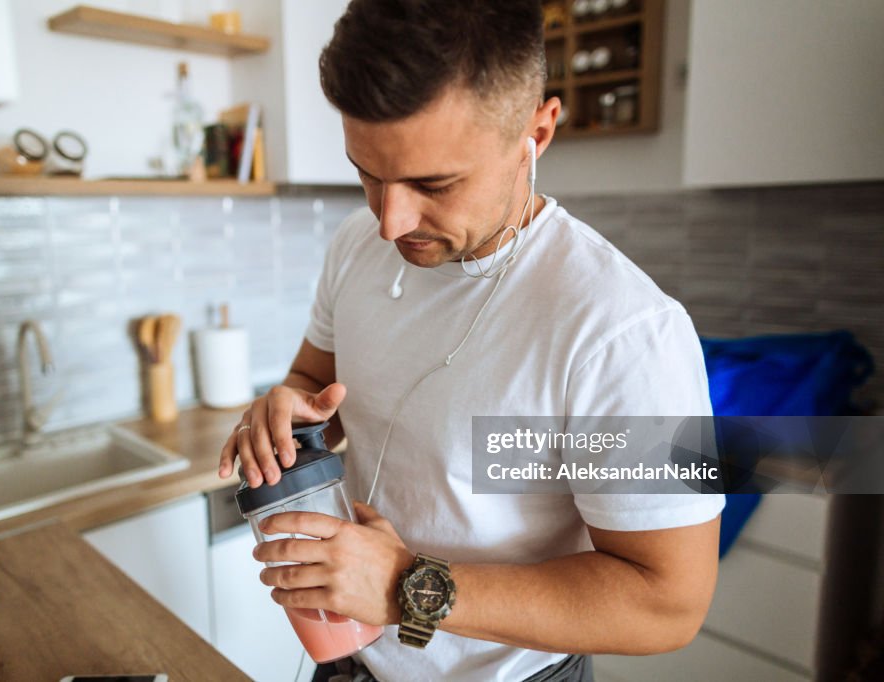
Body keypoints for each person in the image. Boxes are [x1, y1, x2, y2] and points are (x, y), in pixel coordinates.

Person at [218, 1, 724, 680]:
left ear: (536, 133)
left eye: (435, 183)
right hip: (348, 657)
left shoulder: (626, 332)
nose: (392, 221)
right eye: (368, 173)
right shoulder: (355, 246)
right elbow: (315, 388)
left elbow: (667, 604)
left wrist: (407, 588)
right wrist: (286, 409)